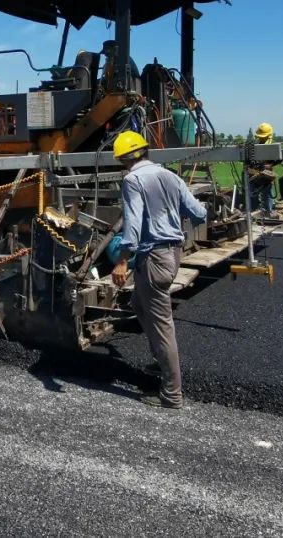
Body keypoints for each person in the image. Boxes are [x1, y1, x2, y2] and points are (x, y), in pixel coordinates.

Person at [109, 130, 207, 409]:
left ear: (122, 160)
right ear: (146, 151)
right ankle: (159, 360)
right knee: (138, 303)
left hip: (153, 257)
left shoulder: (133, 180)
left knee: (162, 324)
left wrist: (122, 260)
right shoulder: (170, 176)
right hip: (172, 253)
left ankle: (172, 393)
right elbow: (199, 213)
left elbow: (133, 224)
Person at [247, 122, 277, 216]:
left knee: (266, 192)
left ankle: (268, 211)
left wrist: (270, 165)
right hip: (255, 172)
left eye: (263, 136)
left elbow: (278, 159)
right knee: (253, 192)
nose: (261, 137)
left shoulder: (272, 145)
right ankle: (255, 211)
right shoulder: (257, 144)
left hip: (265, 174)